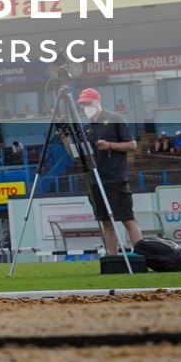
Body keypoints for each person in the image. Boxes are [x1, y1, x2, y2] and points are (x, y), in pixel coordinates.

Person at [74, 87, 142, 257]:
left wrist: (111, 145)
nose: (85, 107)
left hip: (115, 178)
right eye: (82, 105)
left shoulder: (115, 119)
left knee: (127, 219)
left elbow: (132, 145)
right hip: (96, 180)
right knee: (105, 221)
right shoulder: (87, 128)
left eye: (87, 103)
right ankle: (113, 258)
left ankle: (142, 255)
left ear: (97, 101)